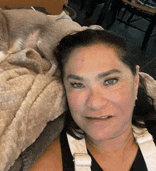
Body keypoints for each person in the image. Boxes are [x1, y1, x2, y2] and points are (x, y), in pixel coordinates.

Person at [28, 29, 156, 171]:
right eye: (77, 85)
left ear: (136, 80)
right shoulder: (50, 165)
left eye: (110, 81)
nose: (94, 103)